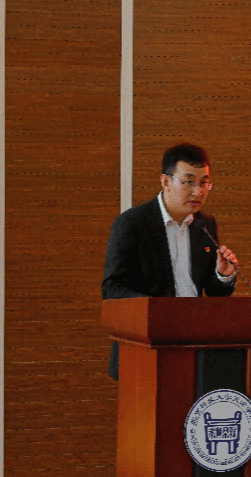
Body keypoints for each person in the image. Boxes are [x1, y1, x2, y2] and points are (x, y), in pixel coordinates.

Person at [102, 143, 237, 380]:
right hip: (145, 345)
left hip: (193, 343)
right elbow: (112, 288)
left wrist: (223, 275)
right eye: (188, 182)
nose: (198, 192)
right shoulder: (132, 224)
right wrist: (159, 312)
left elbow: (214, 292)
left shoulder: (204, 224)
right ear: (165, 181)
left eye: (204, 183)